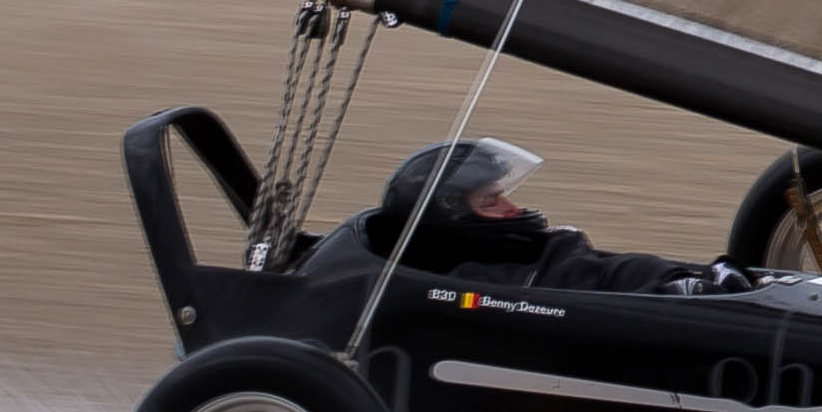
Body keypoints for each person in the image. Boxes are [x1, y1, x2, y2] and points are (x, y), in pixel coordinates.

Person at [301, 137, 751, 295]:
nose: (514, 209)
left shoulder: (525, 254)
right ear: (452, 225)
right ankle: (694, 289)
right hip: (597, 312)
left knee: (622, 267)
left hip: (630, 282)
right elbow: (586, 297)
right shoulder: (477, 278)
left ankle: (701, 283)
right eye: (492, 202)